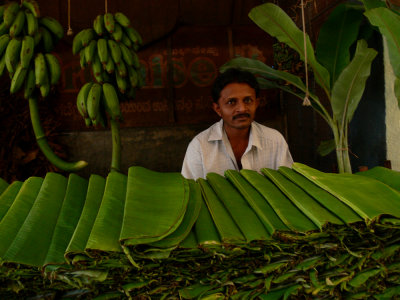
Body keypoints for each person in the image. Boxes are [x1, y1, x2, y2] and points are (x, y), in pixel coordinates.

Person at [181, 68, 293, 180]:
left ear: (257, 103)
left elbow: (287, 187)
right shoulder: (199, 147)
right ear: (218, 109)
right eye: (231, 102)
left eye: (248, 100)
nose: (242, 109)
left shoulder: (275, 141)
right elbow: (191, 192)